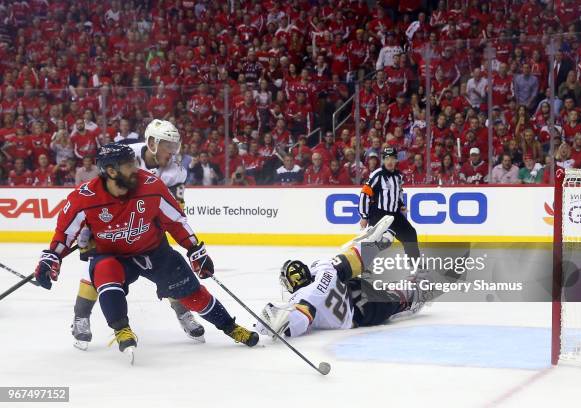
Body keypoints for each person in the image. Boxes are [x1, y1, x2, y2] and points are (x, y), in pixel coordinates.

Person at [34, 143, 258, 362]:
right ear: (111, 171)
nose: (136, 168)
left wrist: (195, 250)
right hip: (113, 255)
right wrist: (51, 258)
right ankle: (121, 329)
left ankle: (231, 326)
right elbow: (63, 234)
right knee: (104, 270)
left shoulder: (151, 186)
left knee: (192, 294)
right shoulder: (83, 197)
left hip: (154, 252)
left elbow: (176, 221)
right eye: (129, 165)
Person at [70, 119, 202, 350]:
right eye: (166, 147)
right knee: (97, 270)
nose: (171, 153)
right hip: (109, 223)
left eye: (174, 147)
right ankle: (81, 317)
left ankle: (183, 313)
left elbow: (174, 208)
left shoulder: (176, 170)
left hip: (145, 227)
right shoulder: (125, 153)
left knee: (168, 270)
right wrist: (91, 225)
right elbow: (99, 186)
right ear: (152, 143)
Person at [254, 216, 429, 338]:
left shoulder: (304, 298)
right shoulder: (323, 268)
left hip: (359, 312)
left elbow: (299, 321)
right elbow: (352, 261)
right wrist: (374, 246)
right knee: (353, 274)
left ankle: (411, 296)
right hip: (354, 289)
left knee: (393, 302)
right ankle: (406, 285)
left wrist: (278, 324)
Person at [358, 146, 419, 258]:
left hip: (394, 214)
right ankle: (362, 267)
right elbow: (365, 194)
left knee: (410, 234)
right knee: (380, 241)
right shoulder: (377, 174)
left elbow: (398, 192)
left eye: (392, 158)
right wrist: (364, 216)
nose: (389, 161)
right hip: (379, 214)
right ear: (383, 160)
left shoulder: (398, 176)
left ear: (396, 160)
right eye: (386, 158)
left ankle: (416, 267)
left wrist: (401, 205)